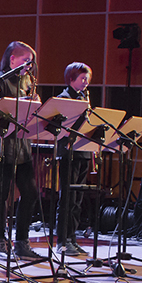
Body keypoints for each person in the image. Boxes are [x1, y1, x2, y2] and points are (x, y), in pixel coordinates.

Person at [0, 41, 44, 262]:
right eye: (25, 60)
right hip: (2, 146)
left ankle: (21, 242)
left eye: (31, 62)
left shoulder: (27, 82)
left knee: (30, 193)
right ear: (12, 59)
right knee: (0, 197)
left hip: (22, 146)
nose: (29, 66)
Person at [57, 62, 93, 257]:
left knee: (77, 200)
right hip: (69, 152)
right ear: (71, 78)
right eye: (82, 78)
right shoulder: (65, 98)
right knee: (67, 199)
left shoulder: (83, 98)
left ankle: (72, 238)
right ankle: (62, 241)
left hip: (83, 151)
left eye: (87, 79)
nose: (86, 82)